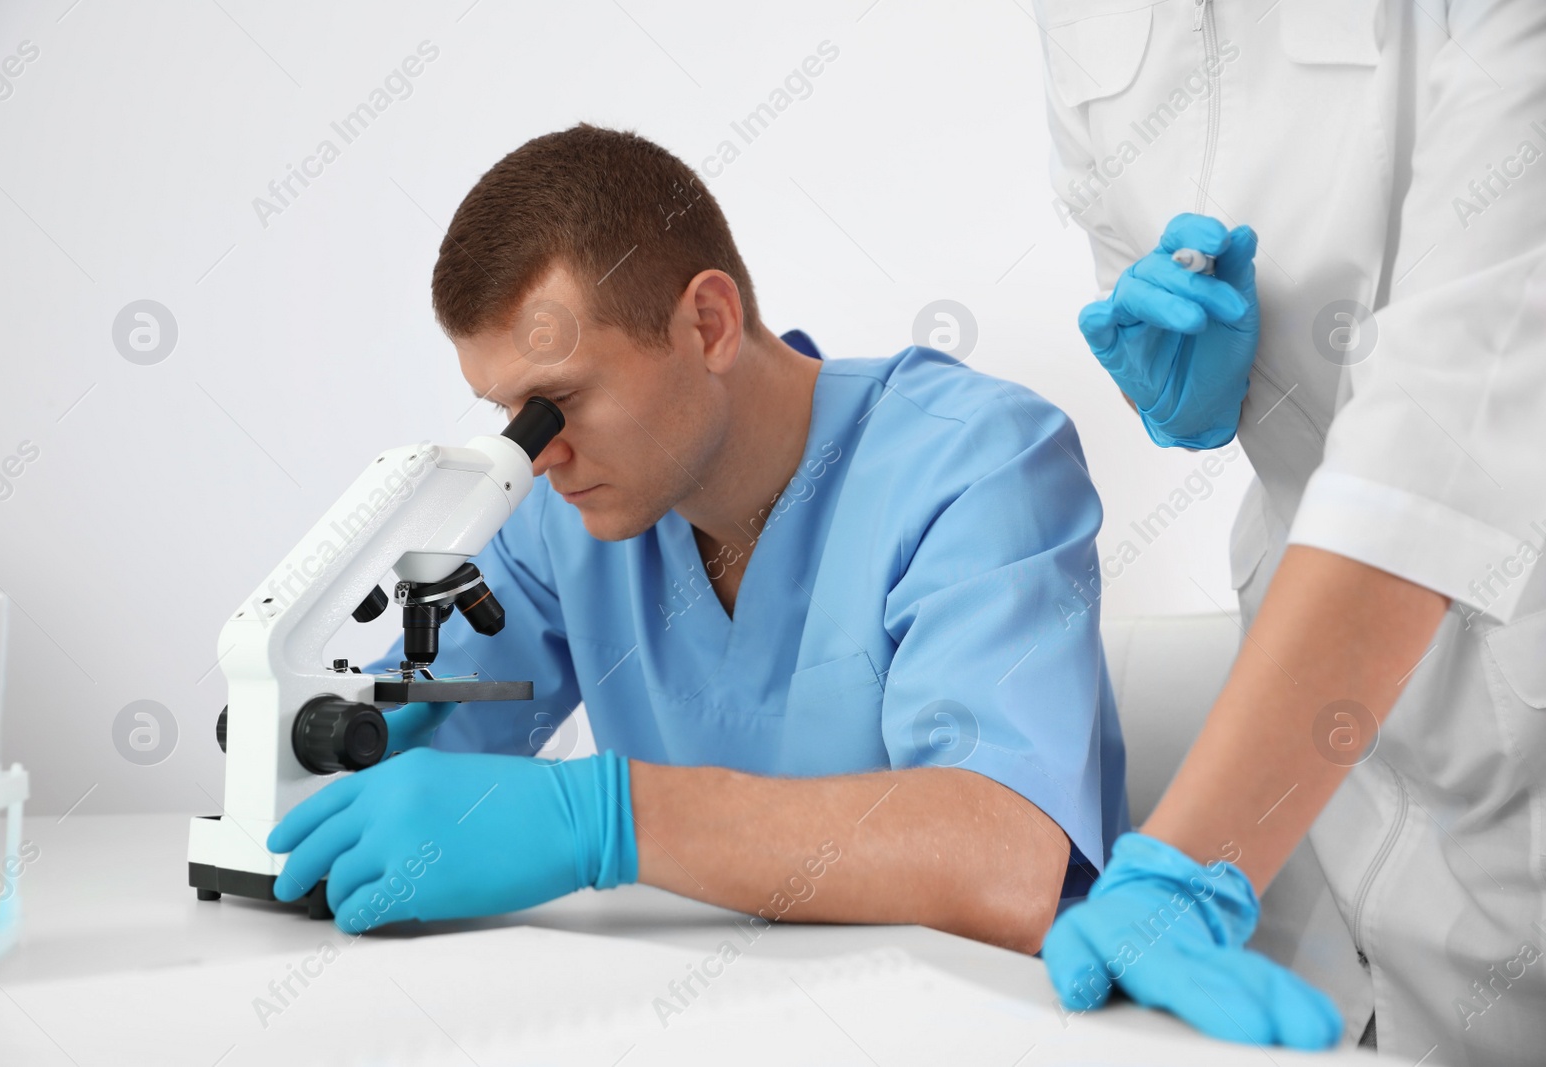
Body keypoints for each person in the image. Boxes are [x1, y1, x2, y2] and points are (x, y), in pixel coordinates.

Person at [266, 123, 1128, 955]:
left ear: (709, 324)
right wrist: (335, 743)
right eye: (511, 417)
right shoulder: (563, 519)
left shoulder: (975, 465)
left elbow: (1002, 862)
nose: (538, 456)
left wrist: (605, 816)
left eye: (555, 403)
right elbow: (415, 751)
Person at [1031, 0, 1546, 1062]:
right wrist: (1178, 392)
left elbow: (1448, 413)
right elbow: (1128, 253)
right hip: (1329, 712)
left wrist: (1193, 852)